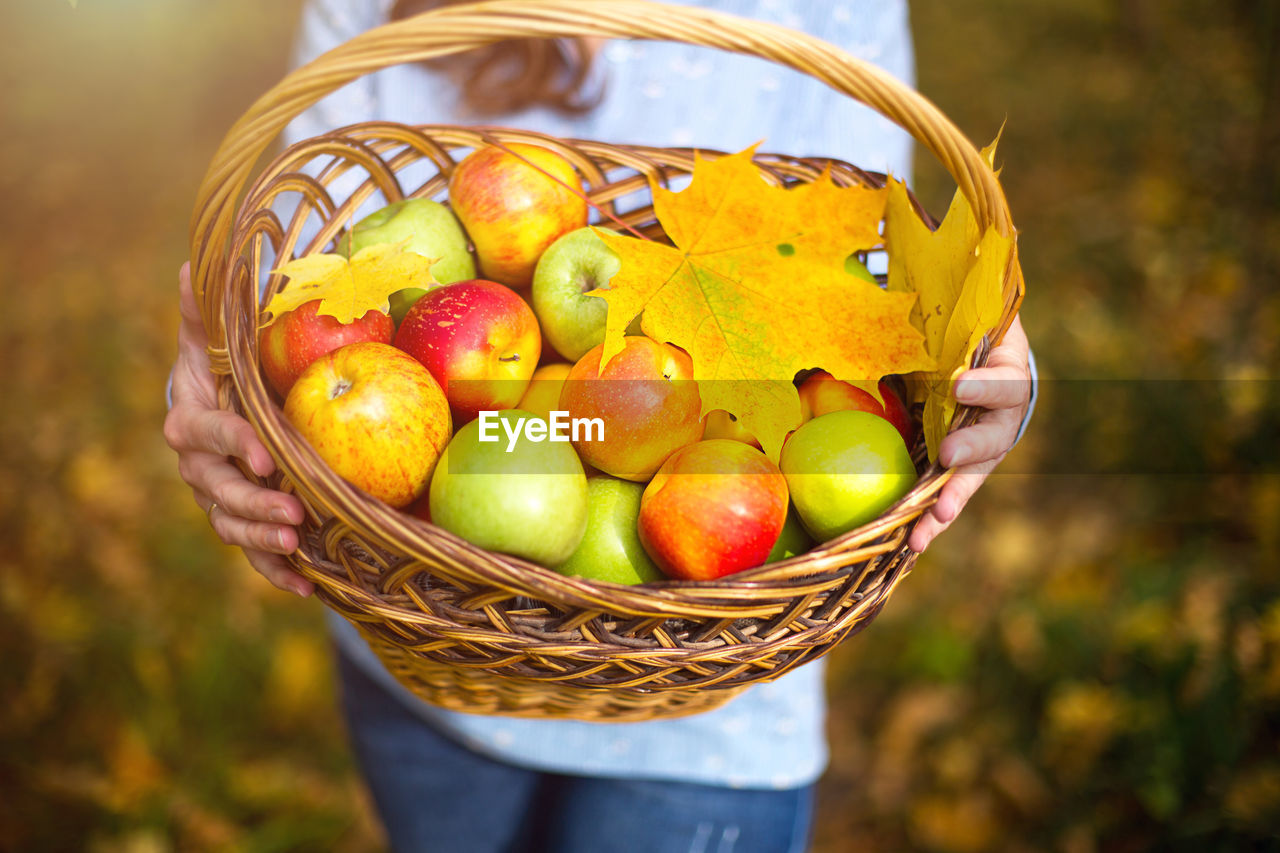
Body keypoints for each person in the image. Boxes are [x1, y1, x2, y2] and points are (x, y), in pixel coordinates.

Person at [164, 1, 1035, 850]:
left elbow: (870, 261)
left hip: (714, 694)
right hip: (421, 646)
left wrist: (966, 348)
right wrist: (226, 367)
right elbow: (298, 262)